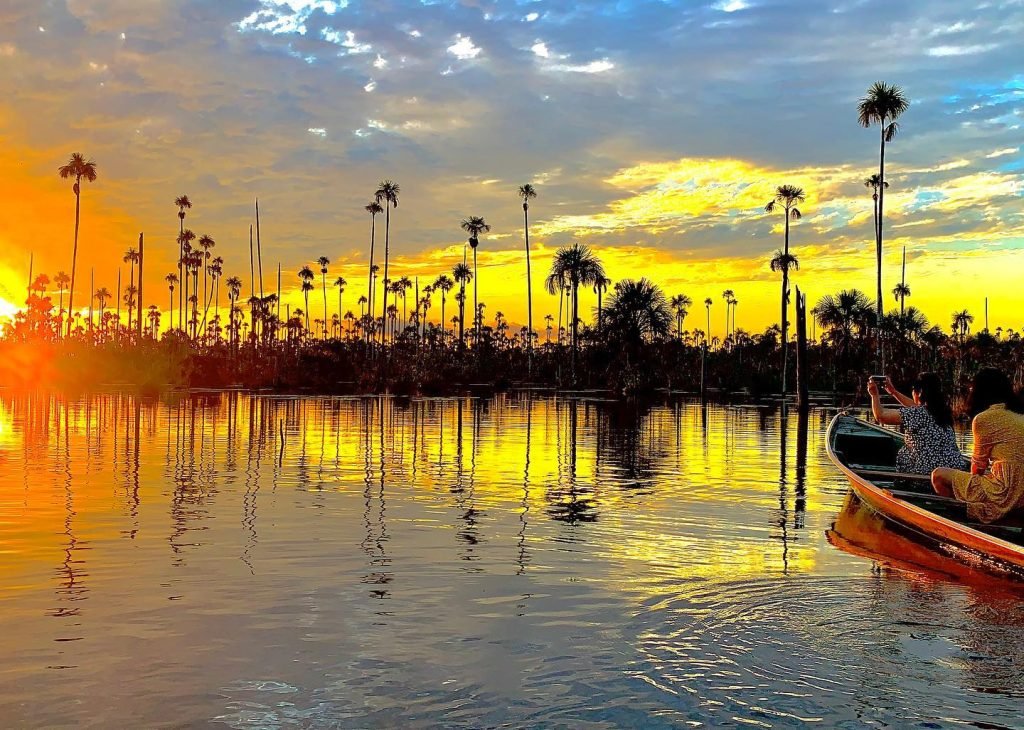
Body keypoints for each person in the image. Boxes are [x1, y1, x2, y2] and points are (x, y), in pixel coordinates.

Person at [932, 368, 1024, 523]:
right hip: (1022, 494)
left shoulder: (984, 419)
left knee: (938, 475)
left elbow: (977, 469)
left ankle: (959, 522)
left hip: (1005, 494)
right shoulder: (1020, 414)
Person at [867, 372, 964, 475]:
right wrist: (893, 392)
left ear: (920, 392)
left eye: (913, 389)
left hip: (925, 475)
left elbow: (880, 416)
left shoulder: (918, 414)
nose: (912, 392)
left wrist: (874, 395)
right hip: (952, 475)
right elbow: (915, 407)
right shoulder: (943, 412)